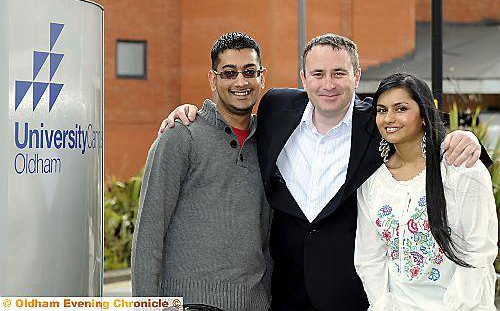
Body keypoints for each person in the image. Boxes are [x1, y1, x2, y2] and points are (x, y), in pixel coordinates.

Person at [159, 34, 489, 311]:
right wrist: (192, 112)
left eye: (339, 73)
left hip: (349, 292)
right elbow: (235, 120)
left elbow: (415, 126)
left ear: (356, 76)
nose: (328, 84)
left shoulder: (374, 123)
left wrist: (466, 138)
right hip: (284, 291)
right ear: (302, 78)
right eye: (317, 74)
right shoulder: (276, 108)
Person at [131, 32, 272, 311]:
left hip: (256, 303)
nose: (241, 82)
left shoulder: (270, 141)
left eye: (249, 71)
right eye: (229, 73)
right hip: (190, 303)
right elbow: (149, 230)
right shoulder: (181, 136)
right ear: (212, 79)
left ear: (262, 77)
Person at [354, 73, 497, 311]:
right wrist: (382, 304)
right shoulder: (373, 182)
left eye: (401, 109)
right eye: (381, 110)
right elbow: (369, 257)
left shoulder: (461, 169)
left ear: (423, 114)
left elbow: (479, 251)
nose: (389, 118)